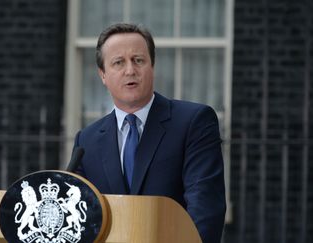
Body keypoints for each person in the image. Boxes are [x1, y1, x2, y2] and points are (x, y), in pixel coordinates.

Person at [71, 23, 226, 243]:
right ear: (103, 75)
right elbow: (79, 216)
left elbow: (205, 207)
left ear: (152, 66)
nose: (130, 70)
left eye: (138, 60)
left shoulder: (194, 121)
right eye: (118, 62)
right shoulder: (86, 140)